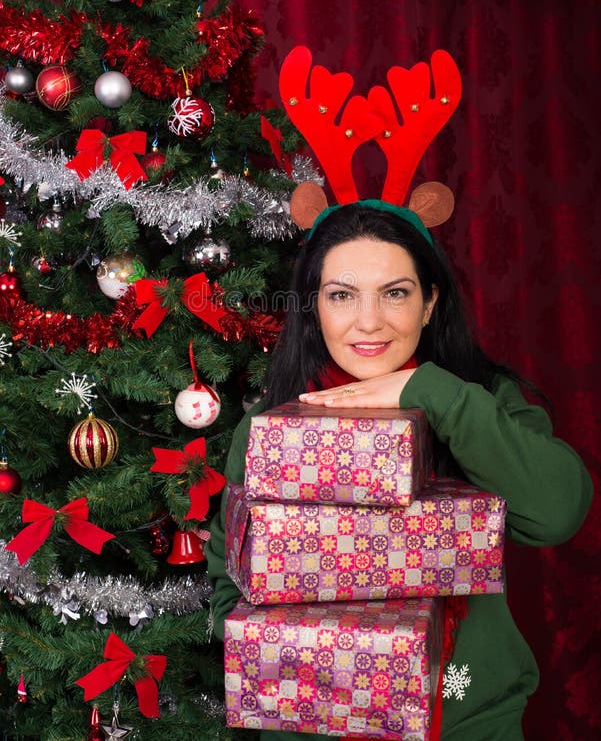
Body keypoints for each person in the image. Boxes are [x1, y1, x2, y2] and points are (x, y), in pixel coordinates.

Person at [205, 201, 593, 741]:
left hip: (467, 715)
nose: (369, 321)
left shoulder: (482, 401)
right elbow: (230, 574)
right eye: (342, 295)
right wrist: (299, 654)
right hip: (314, 726)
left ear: (429, 303)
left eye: (395, 293)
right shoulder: (270, 430)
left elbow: (557, 511)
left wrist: (434, 394)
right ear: (314, 308)